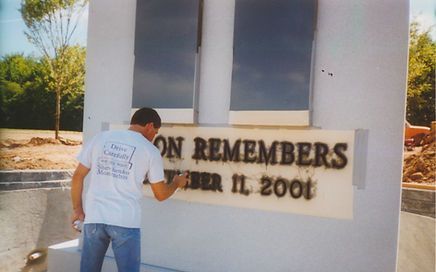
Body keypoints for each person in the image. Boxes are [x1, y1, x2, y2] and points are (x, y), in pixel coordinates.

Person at [70, 107, 188, 272]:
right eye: (155, 132)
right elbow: (160, 194)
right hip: (125, 221)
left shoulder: (101, 138)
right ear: (149, 125)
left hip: (94, 219)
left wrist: (77, 209)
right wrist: (176, 183)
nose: (154, 137)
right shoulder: (150, 150)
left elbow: (77, 176)